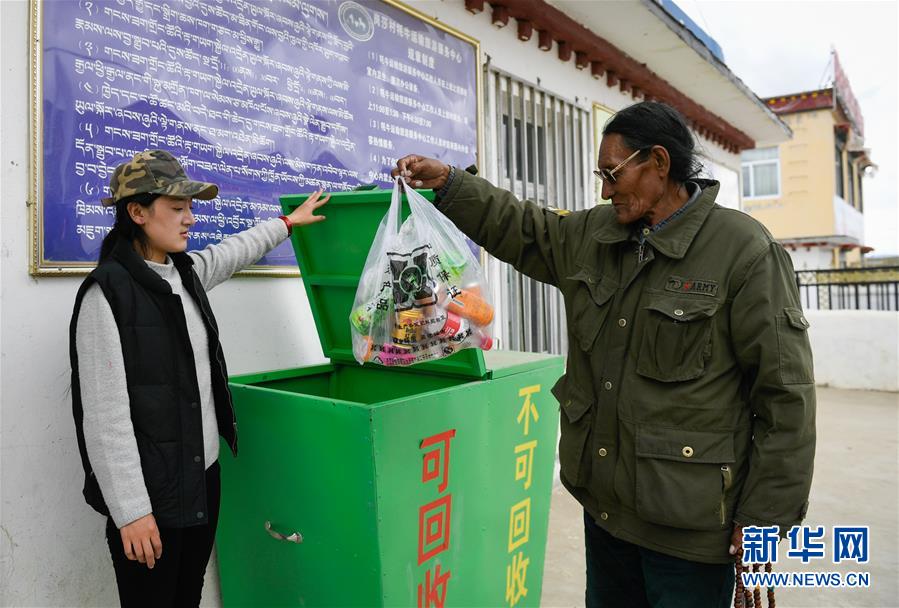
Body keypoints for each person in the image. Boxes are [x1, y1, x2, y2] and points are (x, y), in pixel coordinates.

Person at [393, 101, 815, 608]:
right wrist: (450, 184)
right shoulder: (595, 235)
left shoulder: (743, 251)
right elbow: (521, 226)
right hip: (607, 515)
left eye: (613, 174)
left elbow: (785, 396)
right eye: (601, 176)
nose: (604, 191)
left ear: (659, 163)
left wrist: (763, 521)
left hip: (690, 532)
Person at [69, 149, 329, 607]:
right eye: (177, 208)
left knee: (187, 595)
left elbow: (233, 252)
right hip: (151, 496)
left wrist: (287, 224)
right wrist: (131, 512)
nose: (190, 218)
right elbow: (105, 419)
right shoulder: (106, 294)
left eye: (190, 207)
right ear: (137, 212)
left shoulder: (185, 274)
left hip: (203, 477)